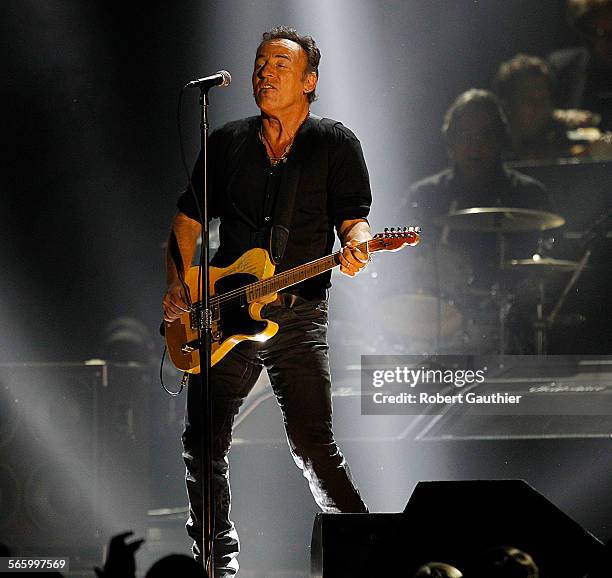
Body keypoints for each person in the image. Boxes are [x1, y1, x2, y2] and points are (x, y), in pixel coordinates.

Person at [162, 26, 371, 577]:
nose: (264, 72)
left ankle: (367, 558)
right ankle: (217, 567)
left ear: (310, 81)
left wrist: (355, 246)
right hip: (226, 311)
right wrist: (181, 281)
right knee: (202, 444)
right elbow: (187, 218)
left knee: (313, 446)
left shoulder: (334, 144)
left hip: (298, 313)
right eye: (259, 63)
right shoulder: (227, 141)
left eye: (280, 63)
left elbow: (354, 221)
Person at [402, 89, 551, 353]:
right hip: (435, 322)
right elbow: (401, 265)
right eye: (464, 137)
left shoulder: (528, 194)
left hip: (511, 323)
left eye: (485, 136)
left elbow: (545, 263)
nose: (474, 146)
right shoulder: (425, 195)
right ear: (449, 141)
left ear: (501, 139)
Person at [493, 53, 612, 162]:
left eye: (544, 99)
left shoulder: (559, 135)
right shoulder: (492, 145)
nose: (539, 107)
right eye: (529, 100)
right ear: (507, 104)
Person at [548, 0, 612, 131]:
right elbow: (530, 112)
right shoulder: (561, 67)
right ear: (587, 34)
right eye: (603, 34)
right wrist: (559, 116)